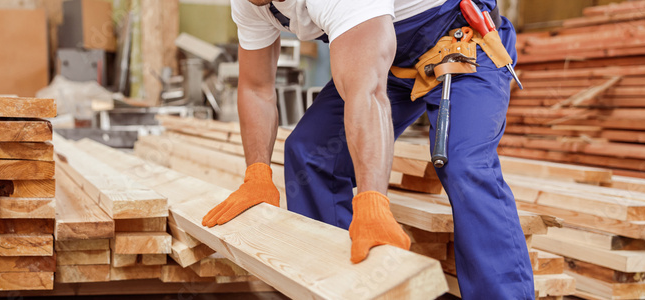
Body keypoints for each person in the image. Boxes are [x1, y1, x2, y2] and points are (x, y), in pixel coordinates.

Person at [199, 0, 533, 298]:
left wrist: (372, 202)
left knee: (465, 165)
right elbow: (256, 88)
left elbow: (368, 92)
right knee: (310, 152)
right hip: (387, 59)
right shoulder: (248, 4)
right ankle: (339, 287)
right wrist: (257, 174)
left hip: (460, 45)